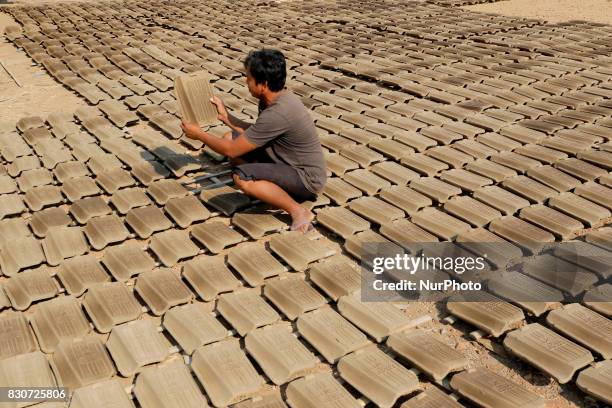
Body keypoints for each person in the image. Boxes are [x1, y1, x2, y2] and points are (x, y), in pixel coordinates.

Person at [181, 48, 326, 233]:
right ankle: (272, 187)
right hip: (284, 160)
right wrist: (227, 117)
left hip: (306, 178)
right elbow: (257, 132)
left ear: (263, 84)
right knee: (228, 136)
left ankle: (297, 210)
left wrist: (199, 134)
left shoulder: (279, 112)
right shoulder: (273, 99)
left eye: (249, 78)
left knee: (242, 177)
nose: (246, 81)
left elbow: (231, 150)